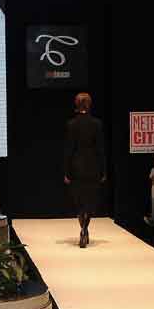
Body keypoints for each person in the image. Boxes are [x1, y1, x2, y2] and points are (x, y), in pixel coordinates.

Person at [64, 92, 106, 248]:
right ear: (89, 105)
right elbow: (100, 149)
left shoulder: (71, 124)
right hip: (93, 167)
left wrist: (66, 171)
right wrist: (103, 171)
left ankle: (83, 229)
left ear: (76, 104)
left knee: (79, 202)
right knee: (90, 201)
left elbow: (69, 150)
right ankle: (85, 229)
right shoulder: (97, 124)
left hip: (76, 167)